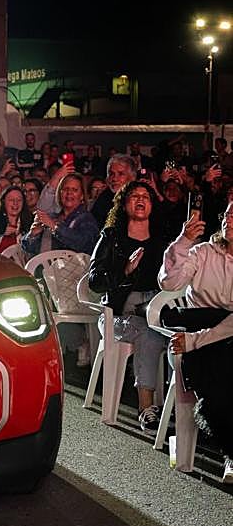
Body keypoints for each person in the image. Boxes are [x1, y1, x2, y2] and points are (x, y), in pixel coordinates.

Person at [159, 203, 233, 483]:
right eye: (227, 213)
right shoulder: (203, 252)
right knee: (220, 370)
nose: (229, 219)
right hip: (197, 336)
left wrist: (195, 341)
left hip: (205, 339)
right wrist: (183, 241)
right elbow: (169, 283)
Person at [88, 181, 167, 432]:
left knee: (178, 333)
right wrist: (124, 270)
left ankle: (179, 406)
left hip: (155, 308)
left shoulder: (161, 240)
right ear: (124, 204)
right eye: (134, 196)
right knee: (150, 334)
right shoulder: (111, 237)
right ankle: (146, 409)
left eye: (146, 196)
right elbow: (94, 281)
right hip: (117, 313)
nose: (140, 199)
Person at [21, 172, 99, 258]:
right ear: (59, 193)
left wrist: (55, 227)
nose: (69, 193)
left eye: (74, 190)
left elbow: (84, 244)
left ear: (82, 196)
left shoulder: (86, 219)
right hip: (44, 264)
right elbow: (27, 248)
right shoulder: (52, 217)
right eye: (65, 189)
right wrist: (33, 235)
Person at [90, 153, 137, 228]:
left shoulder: (141, 198)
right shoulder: (103, 198)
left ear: (133, 177)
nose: (114, 178)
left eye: (121, 174)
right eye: (111, 174)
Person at [0, 186, 32, 254]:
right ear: (3, 201)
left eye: (19, 200)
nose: (15, 203)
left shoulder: (29, 225)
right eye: (11, 200)